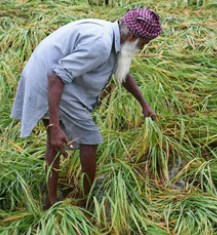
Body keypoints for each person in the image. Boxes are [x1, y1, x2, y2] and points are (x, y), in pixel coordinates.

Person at [11, 8, 161, 209]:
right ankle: (86, 203)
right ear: (132, 36)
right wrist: (55, 125)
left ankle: (50, 201)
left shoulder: (114, 35)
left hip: (50, 76)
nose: (141, 49)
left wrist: (144, 104)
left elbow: (122, 72)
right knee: (90, 140)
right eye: (142, 44)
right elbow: (56, 77)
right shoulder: (100, 43)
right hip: (50, 82)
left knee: (55, 143)